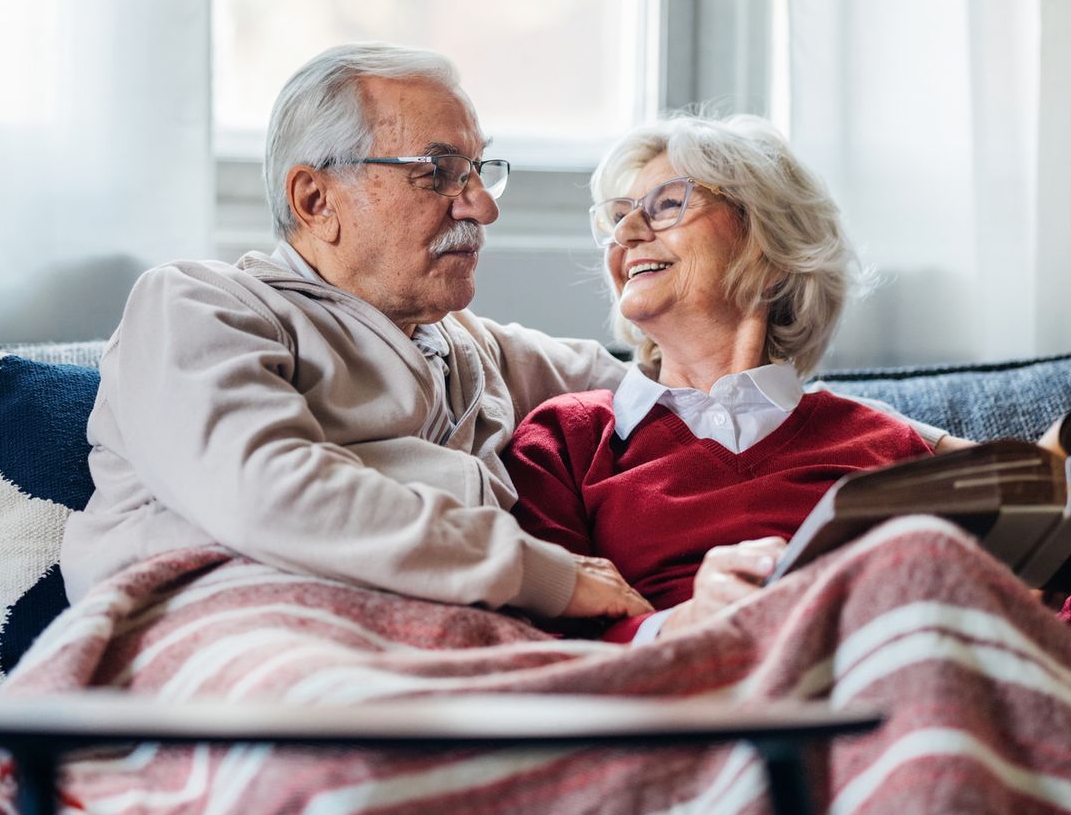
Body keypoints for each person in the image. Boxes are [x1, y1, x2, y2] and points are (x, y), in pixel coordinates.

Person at [61, 44, 654, 621]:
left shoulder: (471, 346)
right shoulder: (199, 307)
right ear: (316, 200)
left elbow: (661, 395)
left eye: (477, 171)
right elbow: (268, 495)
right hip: (220, 619)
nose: (480, 208)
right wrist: (535, 573)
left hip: (417, 638)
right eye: (440, 173)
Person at [506, 111, 1071, 643]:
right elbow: (537, 635)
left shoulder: (889, 446)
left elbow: (1039, 642)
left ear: (768, 243)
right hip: (681, 714)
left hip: (886, 697)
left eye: (666, 204)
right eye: (616, 218)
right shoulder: (568, 438)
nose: (627, 234)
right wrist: (685, 624)